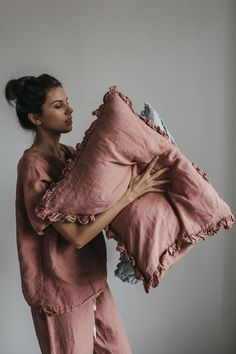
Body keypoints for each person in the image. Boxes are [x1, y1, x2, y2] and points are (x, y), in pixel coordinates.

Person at [5, 73, 171, 354]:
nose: (70, 109)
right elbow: (78, 237)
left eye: (67, 102)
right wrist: (130, 193)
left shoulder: (70, 156)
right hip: (60, 293)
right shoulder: (32, 166)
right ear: (35, 118)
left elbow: (105, 192)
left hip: (91, 281)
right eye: (58, 106)